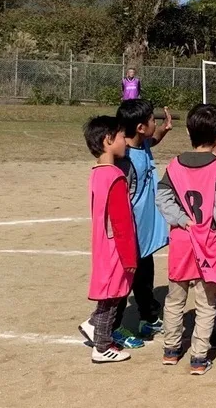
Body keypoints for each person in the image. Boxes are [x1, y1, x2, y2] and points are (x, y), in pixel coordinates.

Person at [89, 100, 170, 351]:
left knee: (145, 276)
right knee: (124, 282)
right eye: (152, 120)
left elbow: (152, 140)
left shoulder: (143, 142)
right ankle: (112, 328)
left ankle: (148, 318)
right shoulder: (124, 163)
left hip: (144, 231)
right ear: (140, 127)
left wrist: (163, 130)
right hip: (131, 231)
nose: (154, 123)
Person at [155, 104, 216, 375]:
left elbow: (162, 197)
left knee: (175, 299)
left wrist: (180, 218)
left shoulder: (174, 165)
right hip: (208, 242)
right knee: (206, 302)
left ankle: (171, 350)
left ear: (188, 131)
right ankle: (199, 357)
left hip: (182, 240)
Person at [81, 116, 137, 363]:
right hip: (115, 245)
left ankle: (94, 325)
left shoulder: (97, 172)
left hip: (103, 242)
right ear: (108, 140)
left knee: (108, 292)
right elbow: (121, 221)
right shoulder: (115, 176)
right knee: (112, 296)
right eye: (122, 136)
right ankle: (102, 346)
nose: (126, 141)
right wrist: (129, 255)